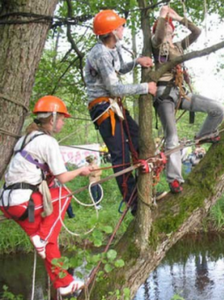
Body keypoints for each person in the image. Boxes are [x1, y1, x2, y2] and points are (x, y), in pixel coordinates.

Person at [0, 96, 92, 295]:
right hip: (24, 203)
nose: (63, 122)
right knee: (63, 195)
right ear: (52, 118)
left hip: (8, 203)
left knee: (49, 244)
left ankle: (64, 284)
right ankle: (41, 236)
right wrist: (82, 171)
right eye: (62, 118)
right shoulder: (47, 142)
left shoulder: (25, 140)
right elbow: (63, 177)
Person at [85, 10, 157, 214]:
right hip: (103, 107)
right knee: (121, 156)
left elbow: (120, 69)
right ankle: (134, 202)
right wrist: (145, 87)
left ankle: (147, 189)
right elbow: (114, 88)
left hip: (113, 105)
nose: (123, 28)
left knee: (138, 140)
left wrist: (136, 62)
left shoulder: (113, 48)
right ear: (111, 32)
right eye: (120, 26)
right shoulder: (99, 53)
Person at [151, 6, 224, 193]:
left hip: (180, 93)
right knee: (173, 138)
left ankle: (204, 134)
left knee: (218, 108)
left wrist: (179, 18)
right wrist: (162, 16)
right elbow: (159, 36)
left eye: (170, 25)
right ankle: (174, 179)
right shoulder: (156, 43)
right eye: (166, 24)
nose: (169, 26)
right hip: (164, 94)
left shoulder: (178, 46)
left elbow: (197, 32)